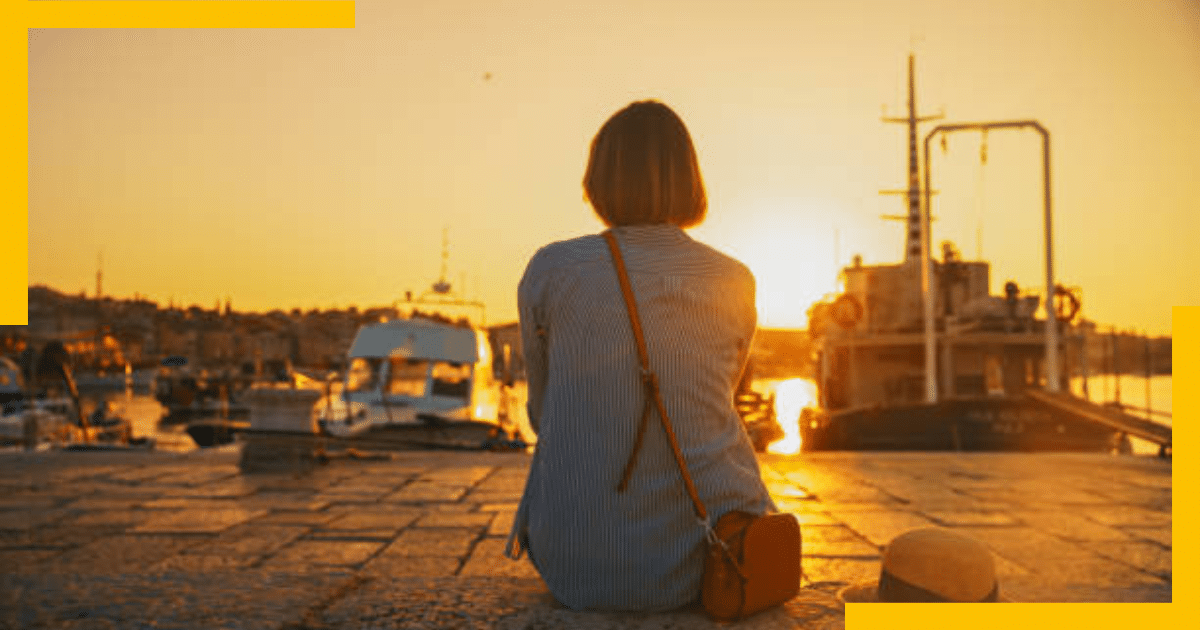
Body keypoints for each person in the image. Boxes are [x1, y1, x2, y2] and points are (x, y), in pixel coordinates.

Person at [505, 100, 776, 612]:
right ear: (689, 179)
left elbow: (543, 417)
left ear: (597, 180)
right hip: (719, 555)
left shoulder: (551, 270)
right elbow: (721, 402)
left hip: (574, 562)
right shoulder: (734, 280)